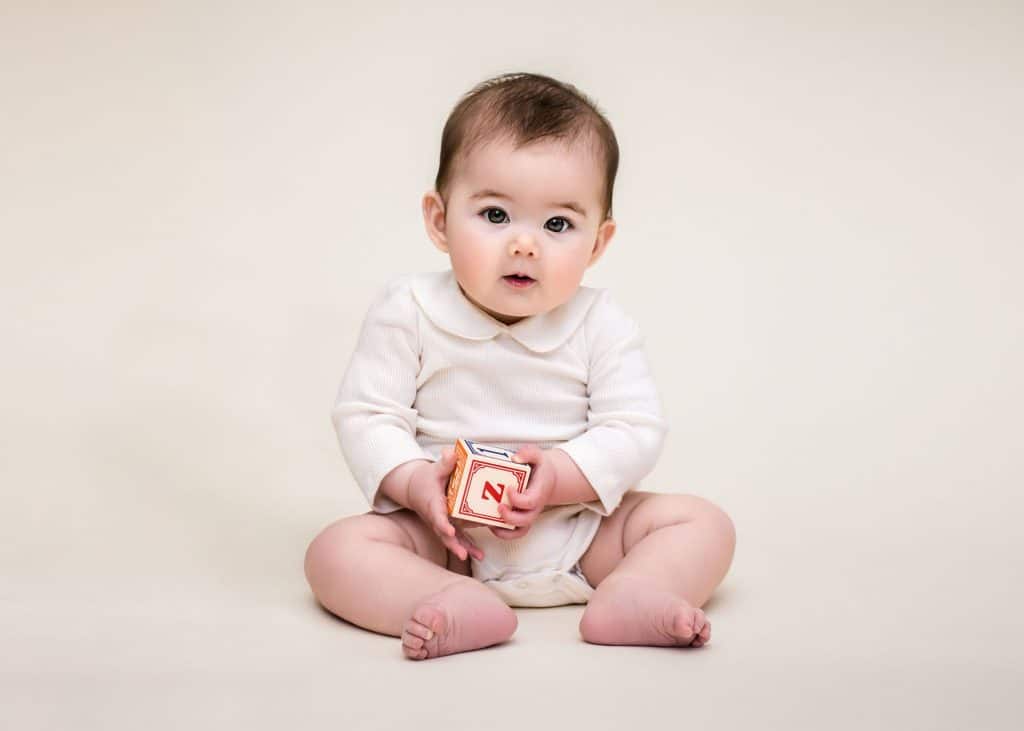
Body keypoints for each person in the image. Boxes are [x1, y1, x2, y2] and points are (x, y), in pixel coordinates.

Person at [304, 72, 736, 660]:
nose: (525, 245)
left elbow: (634, 428)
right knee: (335, 551)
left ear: (598, 243)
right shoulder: (407, 310)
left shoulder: (601, 322)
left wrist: (560, 476)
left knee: (702, 523)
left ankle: (634, 591)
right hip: (443, 537)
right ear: (439, 220)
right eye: (495, 215)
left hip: (580, 531)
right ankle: (446, 600)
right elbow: (365, 415)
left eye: (558, 224)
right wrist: (412, 481)